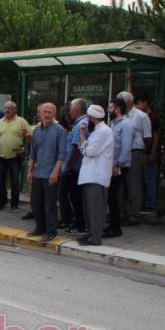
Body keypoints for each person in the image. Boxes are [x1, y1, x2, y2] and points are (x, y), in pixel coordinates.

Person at [27, 102, 67, 243]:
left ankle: (51, 232)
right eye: (45, 111)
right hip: (38, 173)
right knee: (36, 203)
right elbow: (33, 153)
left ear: (54, 114)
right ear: (40, 113)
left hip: (51, 173)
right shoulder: (36, 130)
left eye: (50, 112)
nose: (47, 114)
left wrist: (55, 172)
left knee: (50, 205)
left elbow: (62, 155)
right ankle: (40, 228)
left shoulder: (59, 130)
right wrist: (29, 171)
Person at [76, 105, 114, 246]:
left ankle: (96, 237)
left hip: (97, 176)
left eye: (88, 118)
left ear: (92, 118)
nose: (86, 121)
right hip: (90, 175)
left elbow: (89, 151)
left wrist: (85, 146)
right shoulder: (96, 131)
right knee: (89, 209)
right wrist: (82, 136)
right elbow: (84, 149)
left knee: (96, 209)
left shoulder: (103, 131)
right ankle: (91, 234)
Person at [117, 91, 152, 225]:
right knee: (121, 185)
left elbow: (147, 137)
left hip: (135, 151)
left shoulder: (141, 116)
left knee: (134, 184)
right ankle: (121, 213)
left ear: (128, 102)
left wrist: (144, 153)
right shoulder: (120, 116)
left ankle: (134, 215)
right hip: (122, 152)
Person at [0, 100, 31, 212]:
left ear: (15, 110)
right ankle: (0, 203)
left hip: (15, 157)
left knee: (15, 182)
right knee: (0, 181)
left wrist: (25, 148)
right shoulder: (0, 121)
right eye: (6, 108)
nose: (7, 110)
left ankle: (14, 205)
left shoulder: (21, 121)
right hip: (1, 157)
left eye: (10, 108)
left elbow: (29, 135)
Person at [104, 97, 133, 238]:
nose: (108, 111)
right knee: (111, 196)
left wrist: (118, 165)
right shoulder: (114, 124)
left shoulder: (126, 124)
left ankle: (116, 228)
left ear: (117, 109)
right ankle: (112, 224)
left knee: (112, 195)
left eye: (110, 108)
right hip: (111, 164)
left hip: (119, 165)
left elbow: (126, 147)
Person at [59, 98, 89, 234]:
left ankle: (79, 224)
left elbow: (76, 149)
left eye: (70, 109)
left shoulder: (81, 124)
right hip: (73, 167)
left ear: (76, 110)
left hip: (74, 168)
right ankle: (76, 222)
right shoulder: (79, 123)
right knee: (73, 196)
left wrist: (68, 167)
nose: (69, 112)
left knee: (74, 197)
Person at [135, 94, 161, 213]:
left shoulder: (152, 117)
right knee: (142, 179)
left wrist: (153, 152)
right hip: (143, 152)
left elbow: (155, 136)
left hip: (149, 152)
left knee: (150, 179)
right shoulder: (140, 116)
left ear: (145, 102)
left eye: (139, 103)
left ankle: (150, 204)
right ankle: (142, 203)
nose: (137, 106)